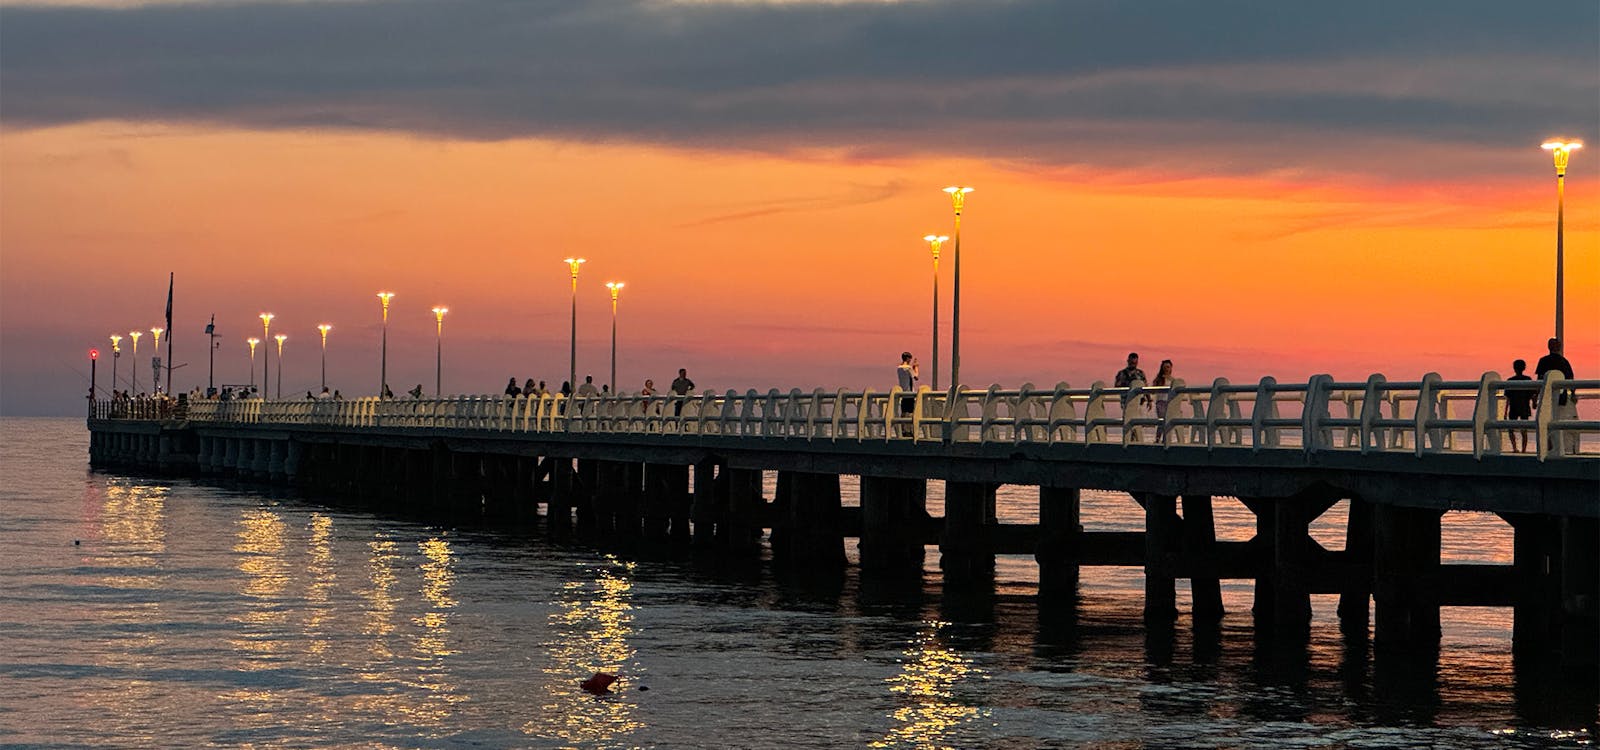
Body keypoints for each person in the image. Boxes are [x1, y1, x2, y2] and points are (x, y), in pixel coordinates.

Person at [1535, 337, 1578, 453]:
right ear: (1559, 348)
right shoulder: (1564, 361)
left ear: (1549, 347)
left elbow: (1539, 379)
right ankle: (1560, 448)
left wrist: (1535, 397)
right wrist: (1573, 394)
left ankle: (1550, 447)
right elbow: (1570, 378)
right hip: (1561, 397)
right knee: (1559, 421)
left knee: (1546, 422)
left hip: (1546, 398)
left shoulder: (1543, 361)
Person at [1505, 359, 1534, 453]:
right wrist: (1534, 403)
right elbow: (1532, 394)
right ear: (1524, 368)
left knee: (1511, 428)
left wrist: (1505, 412)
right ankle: (1523, 450)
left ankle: (1514, 447)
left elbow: (1508, 398)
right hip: (1524, 406)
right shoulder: (1528, 380)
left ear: (1514, 368)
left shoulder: (1510, 381)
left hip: (1513, 406)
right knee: (1524, 429)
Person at [1151, 359, 1175, 441]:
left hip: (1169, 402)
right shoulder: (1159, 379)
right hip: (1161, 402)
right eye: (1165, 367)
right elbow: (1153, 390)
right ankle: (1158, 438)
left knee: (1168, 420)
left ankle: (1165, 439)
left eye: (1168, 367)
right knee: (1162, 420)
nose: (1166, 369)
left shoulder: (1173, 380)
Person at [895, 352, 919, 432]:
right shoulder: (908, 368)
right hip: (910, 393)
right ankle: (909, 430)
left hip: (903, 392)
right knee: (911, 412)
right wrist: (916, 367)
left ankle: (902, 429)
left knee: (904, 412)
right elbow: (916, 377)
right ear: (908, 358)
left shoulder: (899, 368)